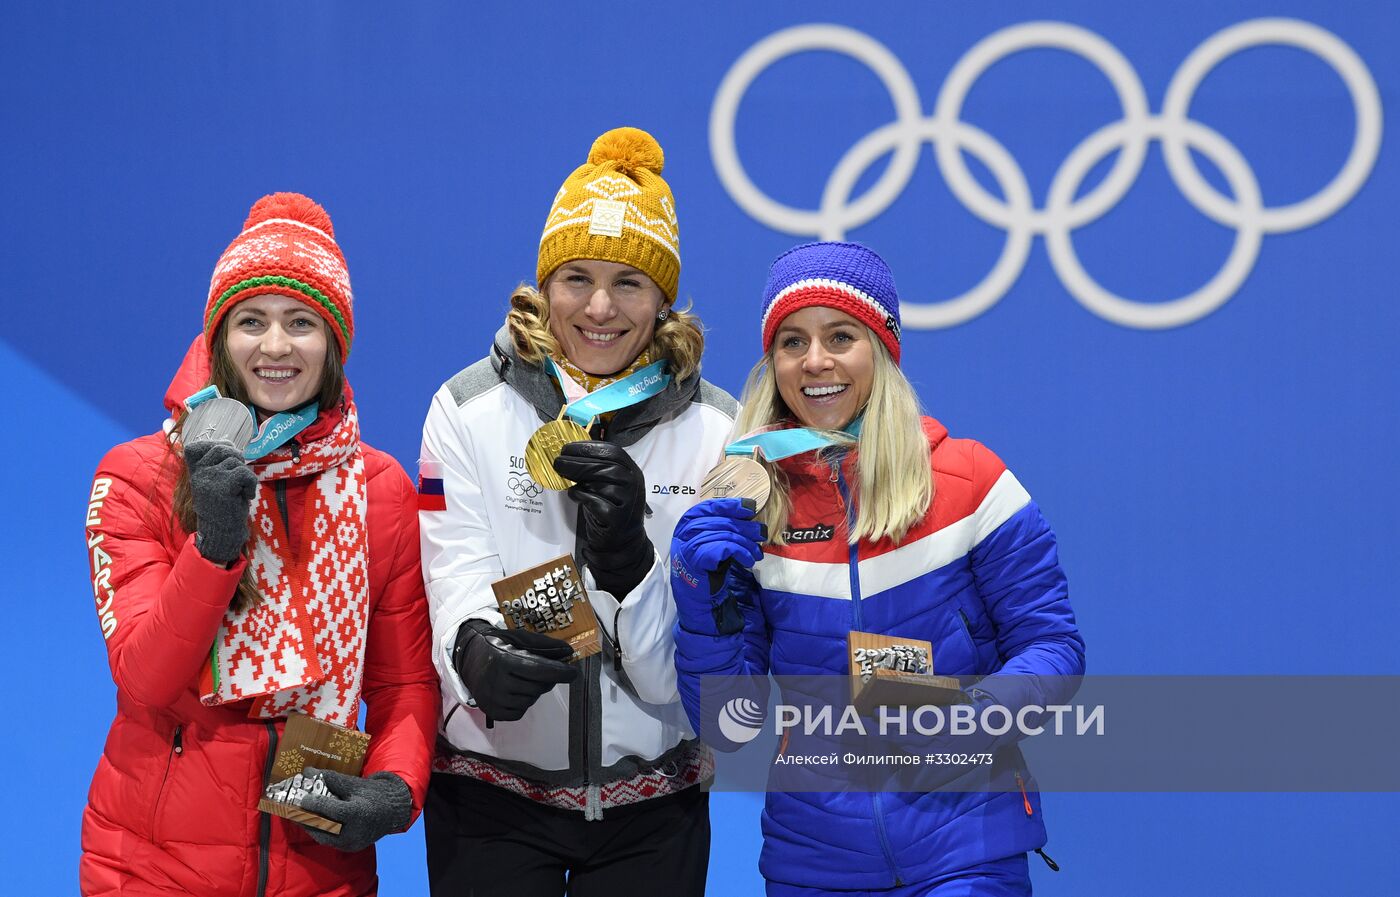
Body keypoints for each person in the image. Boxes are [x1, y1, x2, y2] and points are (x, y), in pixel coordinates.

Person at [669, 241, 1085, 896]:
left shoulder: (970, 479)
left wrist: (970, 723)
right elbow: (730, 725)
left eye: (840, 335)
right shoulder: (750, 507)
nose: (815, 361)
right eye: (791, 341)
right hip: (814, 862)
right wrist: (699, 596)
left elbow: (1053, 647)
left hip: (964, 843)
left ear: (882, 348)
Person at [80, 193, 438, 897]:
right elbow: (145, 677)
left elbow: (401, 682)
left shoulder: (380, 487)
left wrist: (395, 787)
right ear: (220, 338)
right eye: (252, 321)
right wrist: (212, 550)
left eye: (301, 322)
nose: (275, 347)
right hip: (154, 867)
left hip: (319, 865)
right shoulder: (139, 475)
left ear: (334, 341)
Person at [419, 127, 737, 897]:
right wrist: (471, 653)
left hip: (654, 803)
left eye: (630, 281)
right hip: (489, 792)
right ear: (543, 283)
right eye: (576, 277)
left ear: (664, 298)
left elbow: (694, 669)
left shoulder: (720, 431)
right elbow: (454, 564)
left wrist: (631, 563)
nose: (599, 308)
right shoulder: (465, 407)